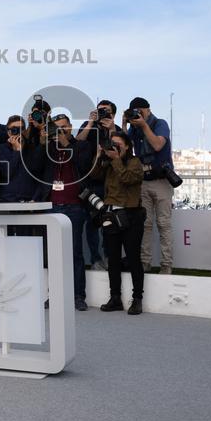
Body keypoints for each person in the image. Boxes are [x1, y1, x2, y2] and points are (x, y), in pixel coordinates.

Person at [30, 113, 94, 310]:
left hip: (74, 205)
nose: (60, 131)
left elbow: (84, 166)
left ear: (70, 127)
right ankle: (55, 294)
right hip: (52, 206)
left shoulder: (81, 145)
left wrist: (67, 143)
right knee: (53, 255)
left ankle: (78, 296)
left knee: (75, 253)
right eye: (56, 127)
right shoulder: (48, 146)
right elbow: (34, 168)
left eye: (64, 127)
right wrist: (42, 143)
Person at [89, 131, 146, 315]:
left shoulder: (135, 162)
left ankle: (137, 299)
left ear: (127, 146)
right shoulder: (108, 162)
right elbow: (95, 175)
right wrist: (99, 157)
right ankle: (115, 298)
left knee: (133, 258)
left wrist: (116, 160)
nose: (114, 148)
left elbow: (129, 179)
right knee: (112, 259)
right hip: (111, 215)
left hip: (131, 215)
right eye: (111, 144)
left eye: (118, 145)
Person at [124, 97, 175, 274]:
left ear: (148, 110)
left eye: (141, 111)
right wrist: (125, 125)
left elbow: (158, 145)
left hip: (161, 180)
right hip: (143, 181)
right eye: (134, 112)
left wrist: (144, 125)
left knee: (163, 224)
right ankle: (145, 262)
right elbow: (124, 148)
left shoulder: (159, 123)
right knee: (144, 224)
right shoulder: (134, 129)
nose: (138, 115)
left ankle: (166, 265)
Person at [74, 100, 121, 270]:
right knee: (92, 222)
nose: (102, 114)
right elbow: (78, 142)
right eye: (99, 110)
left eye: (106, 111)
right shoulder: (89, 125)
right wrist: (91, 122)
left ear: (113, 114)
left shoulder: (116, 130)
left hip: (110, 184)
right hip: (90, 182)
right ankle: (95, 258)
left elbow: (121, 150)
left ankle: (109, 256)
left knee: (109, 223)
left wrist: (112, 129)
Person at [0, 115, 35, 204]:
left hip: (29, 202)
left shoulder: (32, 148)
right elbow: (7, 173)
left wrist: (35, 197)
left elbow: (38, 174)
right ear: (9, 132)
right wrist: (17, 151)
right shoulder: (0, 149)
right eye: (14, 129)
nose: (18, 132)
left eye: (21, 128)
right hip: (7, 202)